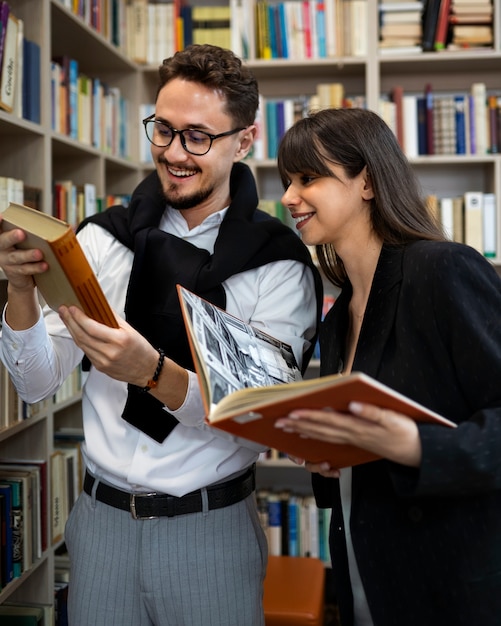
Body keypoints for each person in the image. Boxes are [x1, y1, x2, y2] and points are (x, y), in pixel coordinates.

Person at [0, 44, 322, 626]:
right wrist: (20, 292)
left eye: (197, 136)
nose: (174, 153)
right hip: (99, 530)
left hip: (210, 530)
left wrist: (152, 373)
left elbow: (260, 415)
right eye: (163, 130)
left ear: (242, 142)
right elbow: (35, 382)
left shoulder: (277, 266)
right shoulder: (101, 241)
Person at [273, 107, 501, 626]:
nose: (289, 197)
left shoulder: (443, 270)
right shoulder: (338, 316)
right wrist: (328, 454)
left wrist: (414, 445)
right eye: (288, 181)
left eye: (309, 178)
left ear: (368, 182)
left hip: (450, 593)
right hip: (366, 587)